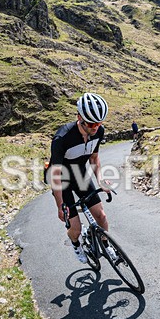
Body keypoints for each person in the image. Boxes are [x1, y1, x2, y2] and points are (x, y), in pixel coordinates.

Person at [49, 93, 112, 262]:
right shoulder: (62, 138)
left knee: (101, 217)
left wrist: (100, 180)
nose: (95, 127)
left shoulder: (98, 132)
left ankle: (106, 246)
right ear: (79, 118)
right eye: (91, 124)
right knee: (75, 228)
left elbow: (94, 158)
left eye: (99, 123)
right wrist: (60, 205)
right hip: (61, 180)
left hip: (79, 175)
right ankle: (76, 244)